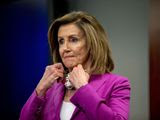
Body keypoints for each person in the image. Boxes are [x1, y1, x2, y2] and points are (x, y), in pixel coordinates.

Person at [20, 11, 131, 120]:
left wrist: (83, 88)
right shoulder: (52, 87)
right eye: (61, 41)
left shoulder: (117, 84)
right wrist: (40, 89)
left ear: (92, 44)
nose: (65, 48)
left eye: (73, 40)